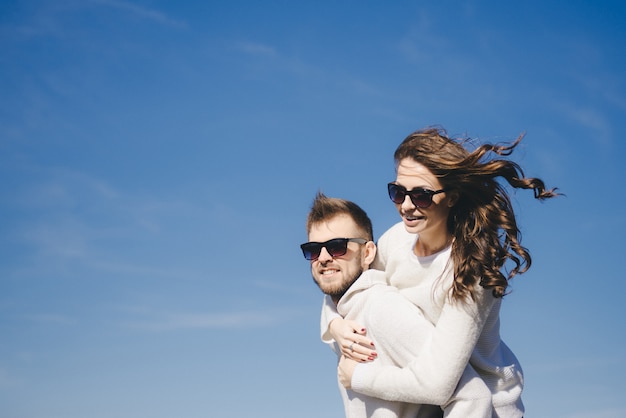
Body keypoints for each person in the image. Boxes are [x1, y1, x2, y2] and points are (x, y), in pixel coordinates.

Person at [324, 127, 559, 418]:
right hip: (429, 404)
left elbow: (438, 384)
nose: (406, 206)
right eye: (398, 192)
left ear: (452, 197)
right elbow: (352, 289)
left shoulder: (471, 269)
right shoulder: (394, 242)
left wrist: (357, 376)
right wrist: (335, 326)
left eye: (421, 196)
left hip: (484, 408)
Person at [302, 192, 493, 418]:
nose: (323, 257)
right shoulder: (348, 314)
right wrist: (333, 324)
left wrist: (357, 376)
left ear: (368, 253)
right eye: (314, 250)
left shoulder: (381, 308)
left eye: (337, 247)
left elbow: (472, 396)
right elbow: (334, 299)